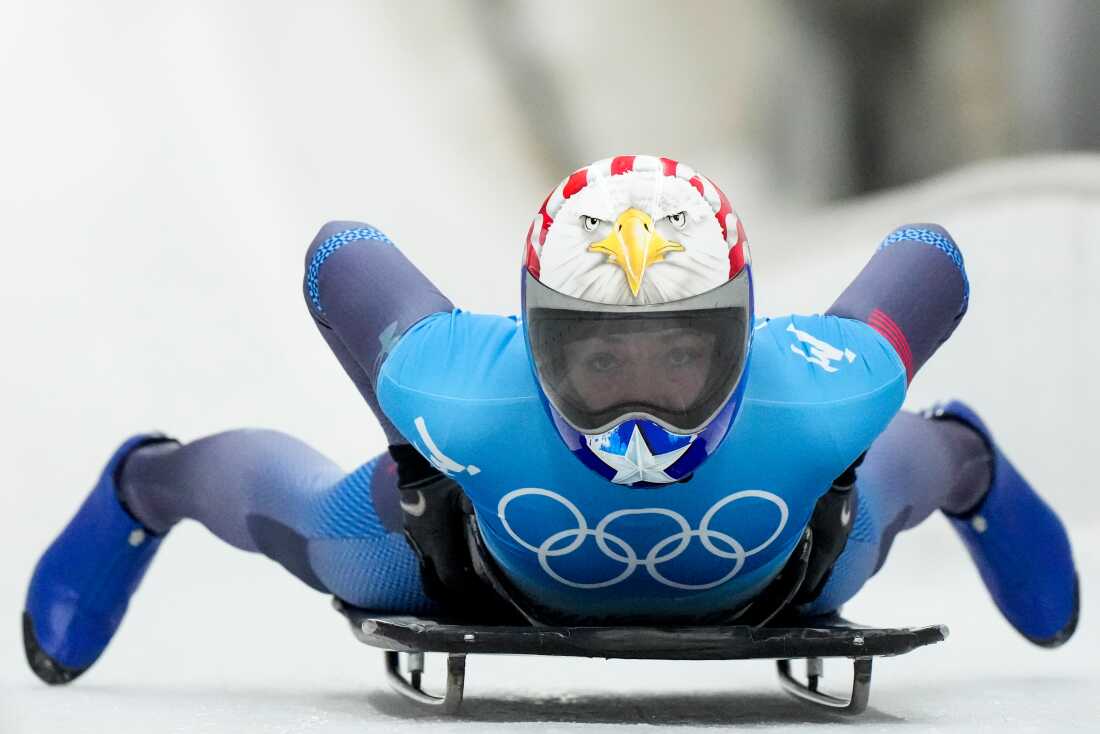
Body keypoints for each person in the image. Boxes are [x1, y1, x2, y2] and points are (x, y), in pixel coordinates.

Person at [24, 155, 1078, 684]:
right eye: (597, 356)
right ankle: (145, 486)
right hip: (481, 559)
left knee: (892, 470)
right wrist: (415, 444)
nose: (637, 404)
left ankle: (966, 459)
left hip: (786, 559)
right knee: (335, 532)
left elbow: (929, 259)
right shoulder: (454, 386)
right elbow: (337, 250)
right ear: (536, 340)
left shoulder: (822, 386)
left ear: (740, 334)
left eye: (677, 354)